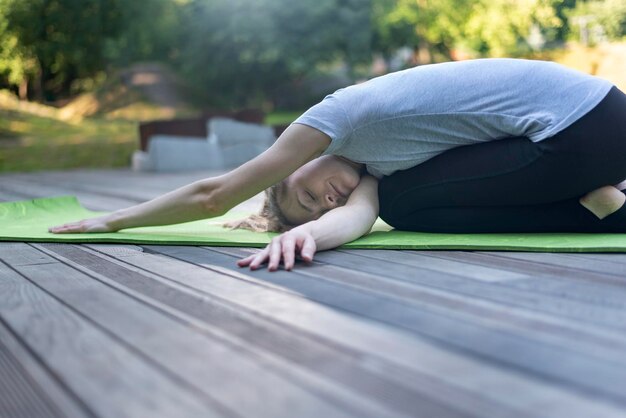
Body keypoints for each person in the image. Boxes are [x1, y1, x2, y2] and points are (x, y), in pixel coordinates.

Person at [49, 58, 626, 271]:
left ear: (291, 167)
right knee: (403, 202)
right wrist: (307, 240)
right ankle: (595, 198)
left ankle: (600, 210)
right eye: (319, 208)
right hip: (594, 123)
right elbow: (357, 218)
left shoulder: (337, 118)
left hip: (583, 126)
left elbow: (213, 196)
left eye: (303, 196)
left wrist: (114, 220)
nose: (327, 201)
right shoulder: (377, 166)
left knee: (410, 206)